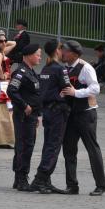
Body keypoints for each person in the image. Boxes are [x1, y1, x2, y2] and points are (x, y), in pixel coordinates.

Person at [60, 40, 105, 196]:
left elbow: (95, 88)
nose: (63, 53)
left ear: (74, 54)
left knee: (92, 149)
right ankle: (72, 185)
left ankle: (101, 185)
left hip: (86, 113)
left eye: (65, 51)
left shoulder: (85, 68)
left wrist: (77, 93)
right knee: (68, 149)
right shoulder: (65, 68)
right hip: (71, 114)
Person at [30, 40, 71, 193]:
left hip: (47, 111)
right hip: (58, 112)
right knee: (53, 147)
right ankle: (40, 179)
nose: (63, 52)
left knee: (48, 145)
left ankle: (46, 181)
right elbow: (68, 89)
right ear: (57, 50)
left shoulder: (46, 69)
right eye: (62, 49)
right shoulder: (60, 70)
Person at [7, 44, 42, 191]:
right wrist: (24, 106)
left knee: (27, 145)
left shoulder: (32, 72)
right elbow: (12, 90)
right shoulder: (21, 72)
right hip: (23, 116)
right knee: (24, 146)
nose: (40, 57)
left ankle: (19, 178)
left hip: (32, 116)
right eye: (38, 54)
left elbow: (36, 95)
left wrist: (39, 114)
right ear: (29, 55)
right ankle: (21, 179)